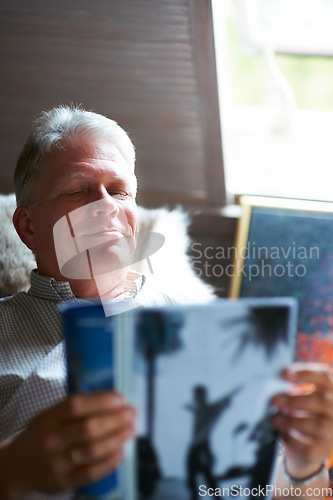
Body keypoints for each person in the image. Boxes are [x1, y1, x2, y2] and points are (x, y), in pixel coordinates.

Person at [0, 105, 332, 499]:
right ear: (28, 227)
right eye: (77, 190)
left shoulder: (203, 321)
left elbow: (288, 491)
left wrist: (306, 463)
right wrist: (12, 469)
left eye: (119, 190)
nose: (106, 205)